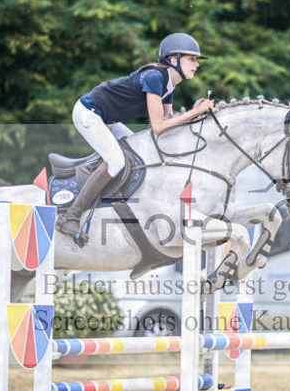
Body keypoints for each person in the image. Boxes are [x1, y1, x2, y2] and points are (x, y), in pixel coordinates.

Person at [56, 32, 215, 238]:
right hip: (89, 112)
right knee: (115, 160)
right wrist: (195, 113)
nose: (197, 64)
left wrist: (191, 113)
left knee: (141, 155)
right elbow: (158, 126)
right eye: (192, 59)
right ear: (173, 60)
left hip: (108, 119)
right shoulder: (155, 77)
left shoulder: (169, 85)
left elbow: (167, 128)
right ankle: (70, 216)